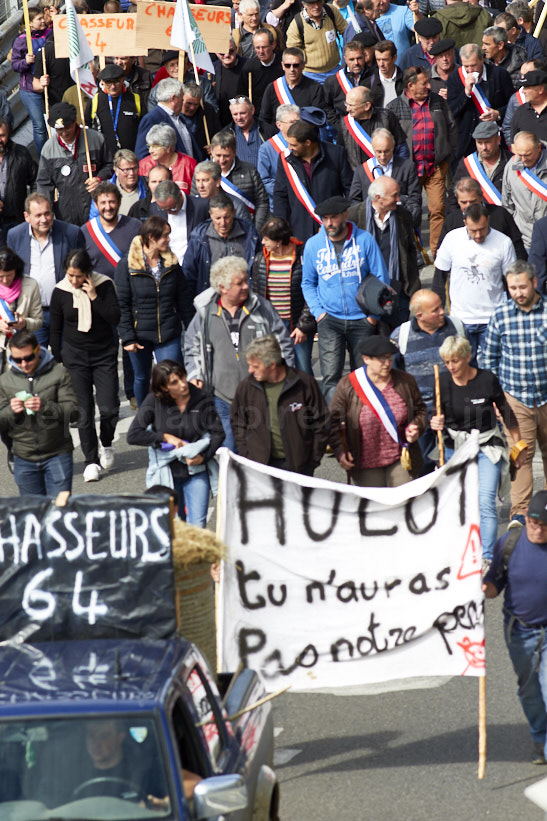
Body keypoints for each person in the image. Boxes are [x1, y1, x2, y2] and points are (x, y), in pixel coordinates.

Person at [184, 256, 295, 451]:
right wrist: (195, 374)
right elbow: (191, 346)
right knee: (229, 453)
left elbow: (283, 343)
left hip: (261, 394)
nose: (246, 286)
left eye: (246, 281)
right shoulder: (205, 313)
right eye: (240, 283)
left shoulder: (262, 308)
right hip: (221, 398)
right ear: (223, 287)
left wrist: (285, 378)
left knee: (261, 451)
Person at [430, 335, 523, 565]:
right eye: (447, 362)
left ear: (468, 357)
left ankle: (487, 557)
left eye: (455, 361)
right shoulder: (441, 380)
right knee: (456, 502)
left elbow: (506, 410)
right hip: (455, 448)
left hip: (486, 445)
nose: (451, 367)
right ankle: (458, 551)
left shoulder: (487, 379)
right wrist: (434, 423)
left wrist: (518, 443)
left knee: (485, 502)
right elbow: (434, 415)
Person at [301, 195, 389, 404]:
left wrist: (373, 315)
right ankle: (336, 427)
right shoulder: (313, 245)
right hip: (329, 320)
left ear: (345, 215)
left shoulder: (365, 240)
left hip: (363, 319)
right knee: (331, 378)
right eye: (325, 219)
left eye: (333, 218)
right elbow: (308, 283)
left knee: (366, 376)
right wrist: (318, 313)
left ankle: (366, 420)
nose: (329, 223)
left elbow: (381, 279)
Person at [482, 491, 547, 766]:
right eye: (534, 522)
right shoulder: (509, 543)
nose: (538, 529)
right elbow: (494, 587)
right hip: (519, 631)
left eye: (545, 525)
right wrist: (480, 587)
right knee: (529, 690)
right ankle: (539, 735)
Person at [483, 260, 547, 529]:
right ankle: (521, 513)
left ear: (534, 283)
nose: (518, 292)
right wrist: (497, 401)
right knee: (520, 456)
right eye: (512, 288)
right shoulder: (500, 315)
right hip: (515, 399)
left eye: (522, 286)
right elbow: (488, 360)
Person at [49, 248, 120, 483]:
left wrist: (94, 297)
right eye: (70, 275)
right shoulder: (60, 291)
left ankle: (107, 443)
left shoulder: (105, 285)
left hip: (103, 354)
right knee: (84, 411)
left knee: (109, 407)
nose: (74, 280)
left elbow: (114, 318)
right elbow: (55, 328)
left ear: (88, 272)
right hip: (74, 356)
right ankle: (90, 460)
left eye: (78, 275)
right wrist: (58, 358)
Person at [127, 361, 225, 526]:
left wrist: (204, 456)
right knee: (171, 526)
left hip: (196, 470)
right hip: (167, 472)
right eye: (174, 382)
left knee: (198, 525)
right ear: (164, 388)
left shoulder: (201, 397)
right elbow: (133, 435)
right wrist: (164, 437)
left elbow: (218, 432)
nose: (182, 384)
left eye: (182, 377)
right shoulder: (153, 401)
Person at [116, 216, 192, 407]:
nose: (169, 240)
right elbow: (122, 304)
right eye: (165, 236)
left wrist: (192, 328)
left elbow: (183, 299)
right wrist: (128, 338)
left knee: (174, 375)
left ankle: (175, 415)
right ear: (151, 237)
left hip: (168, 331)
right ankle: (145, 418)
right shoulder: (127, 265)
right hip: (139, 335)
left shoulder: (172, 264)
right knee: (142, 378)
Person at [329, 336, 426, 486]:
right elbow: (333, 423)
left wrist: (416, 426)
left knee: (403, 502)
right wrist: (340, 452)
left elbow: (420, 410)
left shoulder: (405, 381)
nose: (387, 364)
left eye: (389, 358)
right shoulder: (347, 386)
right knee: (375, 506)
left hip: (400, 457)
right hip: (364, 462)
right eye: (382, 359)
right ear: (366, 359)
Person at [390, 288, 466, 472]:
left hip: (455, 412)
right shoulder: (401, 336)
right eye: (436, 310)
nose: (442, 312)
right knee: (421, 466)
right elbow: (392, 378)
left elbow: (471, 367)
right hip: (419, 414)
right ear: (420, 315)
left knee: (457, 467)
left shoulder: (457, 327)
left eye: (441, 307)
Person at [231, 334, 329, 473]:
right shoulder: (246, 387)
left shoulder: (304, 383)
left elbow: (321, 422)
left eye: (255, 366)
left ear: (272, 365)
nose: (250, 370)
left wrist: (312, 460)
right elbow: (238, 422)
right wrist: (248, 455)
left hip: (298, 468)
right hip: (260, 468)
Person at [387, 66, 456, 258]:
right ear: (410, 85)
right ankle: (415, 252)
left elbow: (451, 128)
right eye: (424, 83)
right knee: (409, 213)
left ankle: (437, 252)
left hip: (435, 167)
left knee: (437, 210)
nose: (429, 86)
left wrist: (446, 156)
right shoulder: (394, 108)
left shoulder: (438, 102)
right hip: (408, 171)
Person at [434, 202, 516, 364]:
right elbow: (439, 276)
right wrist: (438, 311)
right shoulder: (452, 239)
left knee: (492, 367)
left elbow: (511, 281)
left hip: (493, 318)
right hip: (461, 319)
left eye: (482, 229)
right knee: (464, 367)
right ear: (465, 223)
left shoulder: (503, 242)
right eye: (473, 231)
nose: (478, 235)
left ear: (488, 221)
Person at [0, 329, 78, 496]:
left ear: (37, 350)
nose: (23, 364)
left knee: (57, 513)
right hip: (23, 457)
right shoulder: (5, 381)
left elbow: (74, 413)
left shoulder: (58, 373)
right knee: (33, 515)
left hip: (57, 454)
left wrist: (46, 407)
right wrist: (10, 411)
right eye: (17, 360)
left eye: (28, 358)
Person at [7, 193, 86, 347]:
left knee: (68, 361)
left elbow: (83, 269)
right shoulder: (15, 235)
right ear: (26, 216)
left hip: (66, 312)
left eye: (47, 213)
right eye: (38, 215)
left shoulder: (71, 233)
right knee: (35, 360)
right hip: (33, 314)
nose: (44, 219)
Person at [348, 176, 420, 325]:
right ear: (378, 198)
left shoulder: (403, 215)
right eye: (394, 195)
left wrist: (412, 287)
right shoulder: (354, 216)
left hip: (397, 292)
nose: (398, 199)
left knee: (396, 341)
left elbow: (410, 251)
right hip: (364, 293)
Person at [252, 216, 315, 373]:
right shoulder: (261, 259)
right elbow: (256, 293)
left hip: (296, 325)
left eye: (266, 239)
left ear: (278, 241)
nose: (263, 243)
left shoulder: (302, 257)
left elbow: (311, 292)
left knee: (303, 369)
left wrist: (303, 326)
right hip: (272, 325)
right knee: (275, 370)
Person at [273, 120, 353, 242]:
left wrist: (345, 220)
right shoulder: (285, 160)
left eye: (294, 145)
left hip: (333, 229)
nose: (289, 148)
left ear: (308, 143)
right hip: (299, 232)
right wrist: (283, 229)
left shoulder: (336, 155)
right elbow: (280, 196)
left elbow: (350, 191)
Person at [36, 102, 113, 227]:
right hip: (66, 212)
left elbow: (110, 165)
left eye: (68, 127)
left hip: (96, 207)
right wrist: (45, 211)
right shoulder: (48, 149)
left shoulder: (96, 139)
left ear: (75, 121)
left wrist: (100, 178)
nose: (65, 133)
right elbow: (44, 184)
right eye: (60, 130)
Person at [182, 192, 261, 299]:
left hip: (244, 300)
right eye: (218, 218)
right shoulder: (198, 237)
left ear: (234, 213)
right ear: (210, 215)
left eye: (226, 217)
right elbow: (188, 274)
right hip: (211, 301)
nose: (223, 223)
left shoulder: (250, 235)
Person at [446, 43, 513, 163]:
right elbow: (451, 111)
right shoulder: (455, 78)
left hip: (496, 138)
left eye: (473, 65)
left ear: (482, 60)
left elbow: (513, 104)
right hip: (468, 142)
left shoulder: (499, 74)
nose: (470, 70)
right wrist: (466, 93)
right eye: (466, 66)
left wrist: (498, 114)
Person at [438, 176, 527, 260]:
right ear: (457, 200)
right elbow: (441, 253)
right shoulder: (451, 221)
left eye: (472, 201)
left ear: (481, 197)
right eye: (464, 202)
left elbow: (517, 248)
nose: (468, 206)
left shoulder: (501, 214)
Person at [349, 127, 421, 227]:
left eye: (387, 151)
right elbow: (354, 201)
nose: (383, 156)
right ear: (373, 149)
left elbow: (415, 198)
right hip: (370, 226)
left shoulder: (407, 167)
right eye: (379, 152)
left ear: (393, 147)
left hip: (399, 225)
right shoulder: (361, 171)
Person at [209, 130, 270, 228]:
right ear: (211, 152)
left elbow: (262, 202)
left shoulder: (249, 170)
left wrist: (255, 229)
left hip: (247, 227)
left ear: (234, 153)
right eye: (218, 155)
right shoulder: (203, 173)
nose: (222, 160)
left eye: (226, 156)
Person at [448, 121, 511, 213]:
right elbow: (453, 197)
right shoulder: (468, 163)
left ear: (498, 140)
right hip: (475, 220)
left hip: (505, 219)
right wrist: (459, 220)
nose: (484, 147)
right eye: (479, 143)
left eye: (487, 142)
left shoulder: (512, 161)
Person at [341, 86, 409, 169]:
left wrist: (399, 172)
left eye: (351, 105)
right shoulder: (345, 123)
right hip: (360, 178)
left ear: (367, 106)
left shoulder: (387, 117)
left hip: (388, 175)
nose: (347, 109)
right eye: (346, 104)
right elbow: (341, 155)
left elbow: (401, 147)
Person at [10, 8, 49, 154]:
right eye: (39, 19)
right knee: (39, 126)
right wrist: (25, 62)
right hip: (30, 90)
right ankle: (43, 159)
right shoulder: (21, 40)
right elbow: (15, 65)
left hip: (49, 85)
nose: (43, 21)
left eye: (42, 18)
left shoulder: (48, 34)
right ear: (30, 24)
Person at [82, 182, 141, 278]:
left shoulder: (135, 226)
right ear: (96, 205)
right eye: (103, 203)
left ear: (119, 202)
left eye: (111, 202)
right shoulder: (85, 232)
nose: (108, 207)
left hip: (128, 289)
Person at [502, 131, 547, 251]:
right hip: (525, 240)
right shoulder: (511, 166)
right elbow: (507, 204)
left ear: (538, 148)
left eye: (527, 155)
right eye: (519, 155)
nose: (523, 159)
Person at [259, 47, 325, 126]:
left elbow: (318, 119)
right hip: (279, 136)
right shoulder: (272, 88)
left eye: (296, 65)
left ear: (303, 65)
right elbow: (264, 119)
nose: (292, 69)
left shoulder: (315, 88)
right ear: (282, 65)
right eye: (287, 65)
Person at [85, 63, 142, 155]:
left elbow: (143, 129)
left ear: (123, 79)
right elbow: (86, 128)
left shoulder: (135, 99)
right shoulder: (95, 100)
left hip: (131, 157)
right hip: (104, 158)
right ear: (102, 82)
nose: (113, 86)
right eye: (108, 82)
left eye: (116, 81)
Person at [285, 0, 348, 83]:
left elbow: (347, 31)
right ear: (304, 5)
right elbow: (293, 52)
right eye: (312, 3)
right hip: (311, 75)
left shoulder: (331, 12)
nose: (317, 6)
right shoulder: (297, 24)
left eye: (319, 2)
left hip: (335, 69)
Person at [135, 79, 196, 162]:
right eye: (181, 99)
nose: (182, 103)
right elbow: (143, 156)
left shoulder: (180, 118)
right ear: (174, 98)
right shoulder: (152, 119)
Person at [0, 247, 42, 368]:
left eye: (9, 275)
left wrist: (25, 323)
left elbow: (38, 321)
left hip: (22, 352)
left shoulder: (31, 285)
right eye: (0, 276)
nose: (5, 280)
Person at [153, 180, 210, 265]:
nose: (169, 212)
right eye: (164, 209)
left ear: (180, 196)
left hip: (195, 267)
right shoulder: (154, 209)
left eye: (172, 208)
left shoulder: (201, 207)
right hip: (168, 268)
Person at [0, 117, 37, 244]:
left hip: (17, 220)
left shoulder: (21, 153)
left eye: (2, 136)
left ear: (8, 133)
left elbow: (36, 180)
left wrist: (32, 206)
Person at [256, 104, 300, 209]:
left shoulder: (305, 143)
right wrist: (290, 190)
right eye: (291, 122)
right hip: (281, 204)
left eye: (298, 122)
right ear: (279, 125)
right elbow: (264, 180)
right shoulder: (267, 148)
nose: (296, 126)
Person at [324, 40, 371, 130]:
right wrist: (339, 125)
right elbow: (326, 107)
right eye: (351, 59)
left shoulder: (374, 76)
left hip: (371, 127)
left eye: (359, 58)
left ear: (365, 57)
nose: (356, 63)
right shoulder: (333, 81)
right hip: (346, 131)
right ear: (345, 59)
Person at [138, 124, 197, 194]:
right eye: (149, 146)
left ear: (168, 147)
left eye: (155, 146)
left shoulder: (189, 164)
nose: (150, 151)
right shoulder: (144, 165)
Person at [238, 29, 284, 116]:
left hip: (281, 112)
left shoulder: (284, 65)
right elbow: (241, 95)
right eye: (257, 48)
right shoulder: (249, 68)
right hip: (258, 115)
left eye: (264, 47)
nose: (261, 51)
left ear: (273, 45)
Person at [222, 95, 276, 167]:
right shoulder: (225, 134)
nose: (239, 117)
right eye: (235, 114)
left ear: (252, 110)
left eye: (243, 113)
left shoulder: (268, 131)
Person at [213, 40, 249, 127]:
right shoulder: (211, 70)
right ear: (216, 53)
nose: (227, 55)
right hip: (221, 123)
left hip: (245, 121)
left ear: (236, 49)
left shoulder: (248, 65)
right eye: (222, 53)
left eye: (231, 51)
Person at [482, 25, 527, 90]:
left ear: (500, 45)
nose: (483, 48)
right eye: (483, 44)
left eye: (487, 44)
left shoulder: (520, 63)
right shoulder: (483, 63)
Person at [509, 69, 547, 143]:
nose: (523, 91)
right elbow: (513, 144)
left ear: (540, 89)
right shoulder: (520, 112)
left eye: (526, 88)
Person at [366, 40, 403, 108]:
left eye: (385, 60)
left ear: (394, 58)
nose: (381, 64)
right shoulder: (369, 82)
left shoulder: (405, 79)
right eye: (378, 60)